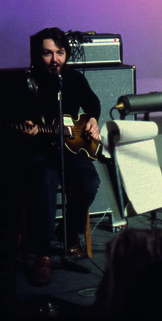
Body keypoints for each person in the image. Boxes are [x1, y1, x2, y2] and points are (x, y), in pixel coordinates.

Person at [17, 27, 102, 286]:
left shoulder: (74, 79)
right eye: (48, 53)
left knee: (89, 182)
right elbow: (17, 115)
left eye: (60, 53)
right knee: (45, 180)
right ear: (37, 55)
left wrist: (94, 121)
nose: (55, 59)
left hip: (71, 148)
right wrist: (27, 127)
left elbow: (93, 104)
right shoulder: (27, 83)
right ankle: (43, 254)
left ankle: (67, 232)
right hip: (40, 152)